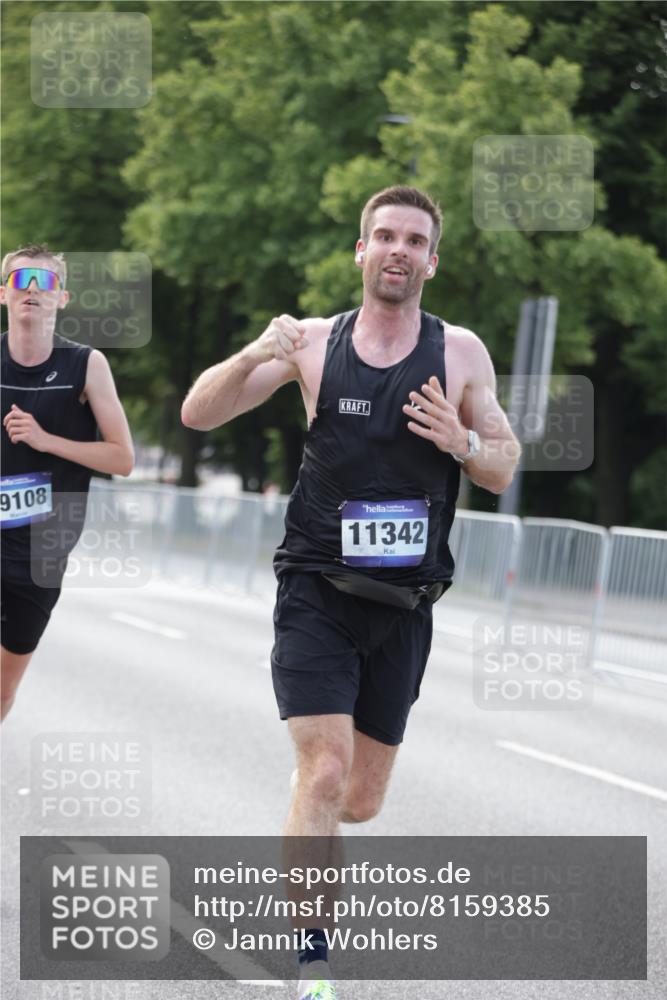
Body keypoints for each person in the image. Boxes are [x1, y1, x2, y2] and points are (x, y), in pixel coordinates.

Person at [182, 186, 520, 999]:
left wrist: (463, 440)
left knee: (357, 800)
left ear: (431, 260)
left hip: (404, 609)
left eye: (414, 239)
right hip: (315, 590)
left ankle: (311, 800)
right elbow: (197, 414)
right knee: (327, 771)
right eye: (383, 236)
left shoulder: (459, 353)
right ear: (359, 252)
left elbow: (503, 462)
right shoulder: (309, 342)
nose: (397, 249)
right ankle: (312, 965)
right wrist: (252, 353)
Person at [1, 244, 134, 719]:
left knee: (2, 690)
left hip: (40, 556)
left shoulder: (86, 365)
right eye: (21, 281)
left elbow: (122, 458)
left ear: (63, 297)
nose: (32, 291)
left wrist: (45, 440)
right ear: (3, 294)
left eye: (44, 282)